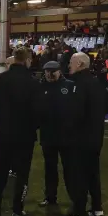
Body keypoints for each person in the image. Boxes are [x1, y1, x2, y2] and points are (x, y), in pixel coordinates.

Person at [0, 47, 39, 216]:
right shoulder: (32, 83)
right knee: (22, 173)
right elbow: (39, 111)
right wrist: (33, 126)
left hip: (5, 132)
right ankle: (18, 208)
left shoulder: (1, 79)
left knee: (1, 169)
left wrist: (1, 122)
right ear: (26, 60)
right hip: (25, 135)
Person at [64, 52, 108, 216]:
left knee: (78, 173)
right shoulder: (96, 83)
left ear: (79, 64)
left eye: (71, 62)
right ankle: (97, 208)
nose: (69, 65)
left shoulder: (77, 84)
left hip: (80, 137)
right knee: (93, 173)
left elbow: (75, 112)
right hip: (96, 136)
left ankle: (79, 211)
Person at [37, 61, 76, 207]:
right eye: (47, 71)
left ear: (59, 71)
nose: (49, 74)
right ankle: (50, 197)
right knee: (50, 168)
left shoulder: (70, 86)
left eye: (52, 71)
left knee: (70, 169)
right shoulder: (41, 87)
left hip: (67, 136)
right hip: (48, 136)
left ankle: (75, 198)